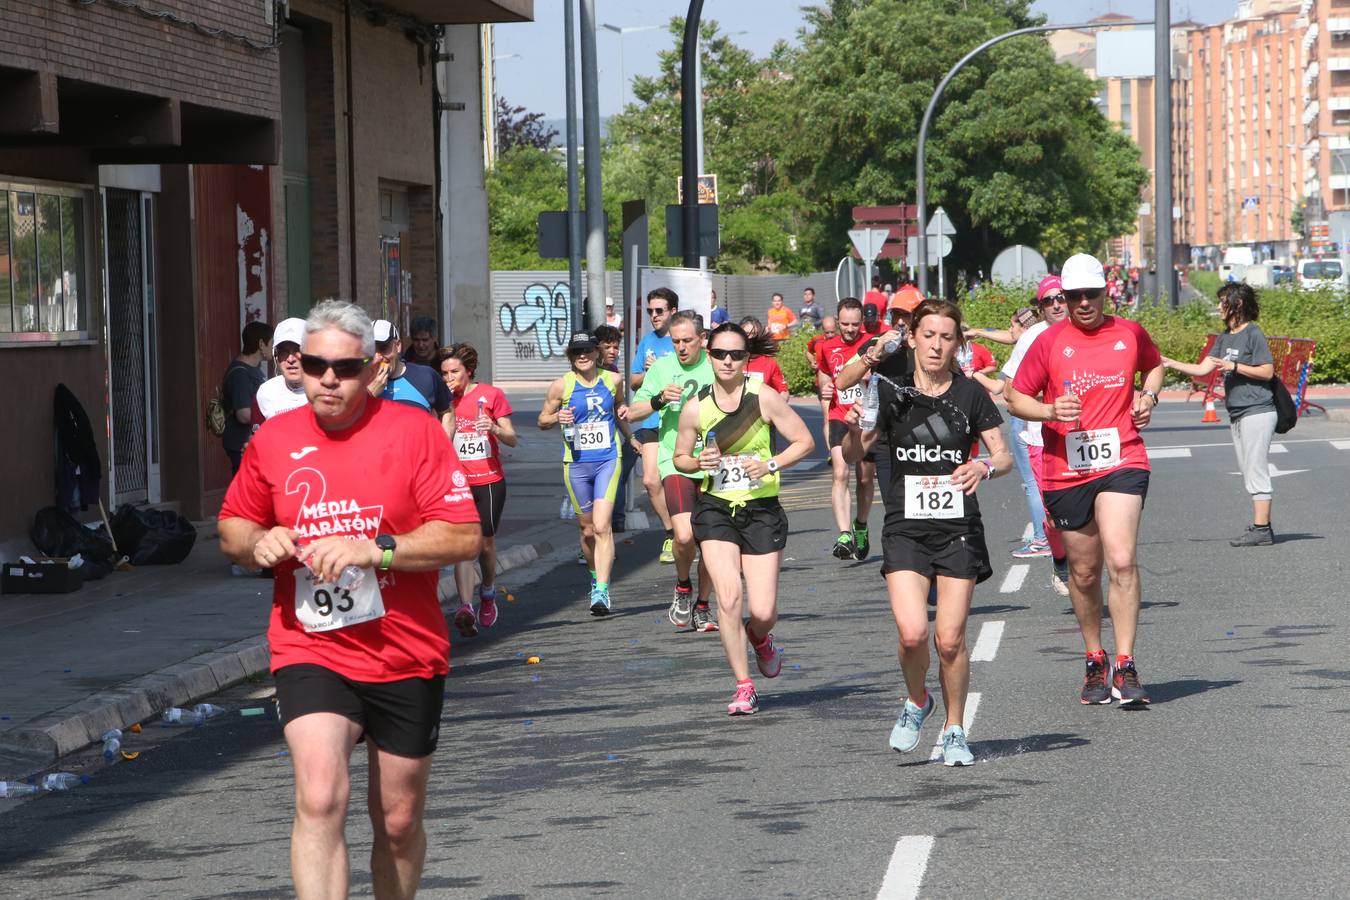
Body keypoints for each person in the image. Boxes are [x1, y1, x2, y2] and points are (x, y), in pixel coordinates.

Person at [218, 299, 482, 899]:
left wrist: (377, 550)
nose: (327, 379)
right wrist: (261, 540)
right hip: (310, 646)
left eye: (343, 367)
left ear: (371, 370)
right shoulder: (275, 440)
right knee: (319, 797)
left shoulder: (413, 432)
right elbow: (232, 527)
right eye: (313, 365)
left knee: (397, 818)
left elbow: (463, 534)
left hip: (405, 650)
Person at [841, 298, 1011, 766]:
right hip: (905, 527)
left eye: (947, 337)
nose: (937, 346)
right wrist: (854, 429)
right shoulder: (890, 389)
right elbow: (856, 454)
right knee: (914, 634)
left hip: (958, 527)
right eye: (929, 335)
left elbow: (1004, 456)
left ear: (958, 344)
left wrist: (982, 466)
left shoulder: (970, 393)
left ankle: (955, 728)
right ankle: (917, 700)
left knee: (950, 639)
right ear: (912, 337)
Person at [1005, 253, 1164, 708]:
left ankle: (1126, 662)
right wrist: (1050, 411)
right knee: (1084, 570)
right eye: (1073, 296)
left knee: (1122, 560)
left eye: (1091, 294)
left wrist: (1147, 395)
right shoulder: (1049, 341)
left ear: (1105, 291)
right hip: (1065, 468)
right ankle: (1095, 657)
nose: (1083, 303)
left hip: (1122, 459)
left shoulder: (1129, 333)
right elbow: (1016, 397)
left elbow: (1154, 365)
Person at [674, 323, 815, 715]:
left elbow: (805, 441)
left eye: (736, 354)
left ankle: (761, 639)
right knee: (730, 598)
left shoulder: (763, 398)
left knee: (765, 612)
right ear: (709, 355)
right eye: (720, 353)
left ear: (746, 358)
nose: (728, 361)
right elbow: (680, 457)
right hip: (716, 509)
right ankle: (743, 684)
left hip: (761, 511)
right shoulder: (695, 406)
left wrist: (768, 463)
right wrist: (697, 462)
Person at [1160, 282, 1277, 546]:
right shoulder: (1224, 336)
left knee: (1256, 468)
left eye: (1222, 301)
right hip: (1238, 413)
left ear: (1236, 304)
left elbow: (1267, 371)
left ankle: (1262, 529)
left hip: (1258, 410)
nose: (1218, 306)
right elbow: (1203, 369)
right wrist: (1167, 362)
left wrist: (1233, 365)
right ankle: (1261, 527)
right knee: (1248, 468)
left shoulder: (1253, 333)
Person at [628, 311, 717, 631]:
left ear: (702, 339)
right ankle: (683, 586)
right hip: (675, 459)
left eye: (687, 341)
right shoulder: (663, 367)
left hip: (713, 461)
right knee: (684, 534)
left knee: (711, 541)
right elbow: (633, 411)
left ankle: (703, 605)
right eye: (676, 341)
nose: (680, 347)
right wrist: (658, 400)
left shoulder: (716, 365)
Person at [540, 332, 628, 615]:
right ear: (570, 356)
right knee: (587, 530)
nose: (582, 355)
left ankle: (601, 590)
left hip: (607, 460)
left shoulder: (613, 380)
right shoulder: (560, 386)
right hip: (576, 464)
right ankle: (594, 575)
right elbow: (543, 419)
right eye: (576, 351)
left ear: (596, 352)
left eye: (587, 350)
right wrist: (556, 418)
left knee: (602, 526)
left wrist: (632, 437)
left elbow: (618, 409)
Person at [439, 342, 516, 637]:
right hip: (458, 483)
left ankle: (487, 591)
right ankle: (465, 606)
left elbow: (512, 438)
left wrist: (494, 428)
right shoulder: (443, 401)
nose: (449, 378)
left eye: (454, 372)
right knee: (463, 543)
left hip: (489, 481)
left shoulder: (491, 395)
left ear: (468, 371)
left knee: (483, 543)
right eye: (444, 373)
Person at [1001, 276, 1072, 594]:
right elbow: (1009, 390)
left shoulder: (1087, 330)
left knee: (1094, 511)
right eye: (1048, 300)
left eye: (1061, 297)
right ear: (1040, 307)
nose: (1056, 304)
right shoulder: (1032, 338)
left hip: (1084, 438)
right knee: (1054, 515)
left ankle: (1084, 568)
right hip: (1042, 439)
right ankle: (1060, 560)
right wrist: (1046, 408)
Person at [816, 298, 876, 561]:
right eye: (845, 324)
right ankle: (844, 534)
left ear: (861, 322)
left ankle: (860, 525)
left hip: (867, 417)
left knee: (865, 478)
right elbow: (824, 378)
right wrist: (826, 388)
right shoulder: (826, 347)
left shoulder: (874, 343)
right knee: (840, 473)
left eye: (855, 324)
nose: (850, 329)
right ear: (837, 321)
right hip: (840, 415)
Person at [631, 288, 678, 563]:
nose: (653, 316)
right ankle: (671, 532)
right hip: (651, 416)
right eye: (650, 311)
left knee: (678, 479)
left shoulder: (681, 340)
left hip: (677, 418)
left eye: (659, 310)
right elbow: (634, 380)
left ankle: (690, 530)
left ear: (672, 311)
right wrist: (649, 371)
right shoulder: (646, 341)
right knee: (650, 480)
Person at [222, 319, 273, 474]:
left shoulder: (254, 369)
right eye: (271, 343)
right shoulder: (240, 373)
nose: (273, 348)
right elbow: (243, 415)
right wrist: (273, 416)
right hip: (242, 443)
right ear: (261, 344)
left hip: (255, 441)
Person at [370, 320, 452, 415]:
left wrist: (442, 430)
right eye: (371, 350)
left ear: (398, 346)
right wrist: (370, 394)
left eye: (383, 348)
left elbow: (447, 411)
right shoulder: (358, 381)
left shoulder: (426, 376)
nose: (377, 357)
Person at [252, 317, 309, 425]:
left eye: (298, 350)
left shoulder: (325, 391)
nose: (291, 359)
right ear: (275, 356)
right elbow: (257, 439)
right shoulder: (265, 393)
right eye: (284, 352)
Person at [806, 316, 837, 449]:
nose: (830, 335)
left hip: (843, 384)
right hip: (824, 383)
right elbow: (808, 351)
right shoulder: (817, 341)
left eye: (832, 332)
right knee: (828, 417)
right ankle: (831, 451)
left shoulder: (843, 341)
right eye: (827, 332)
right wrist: (812, 361)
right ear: (822, 331)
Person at [739, 316, 790, 396]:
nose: (751, 337)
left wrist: (776, 407)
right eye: (747, 334)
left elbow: (784, 391)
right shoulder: (730, 360)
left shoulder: (769, 363)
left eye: (754, 334)